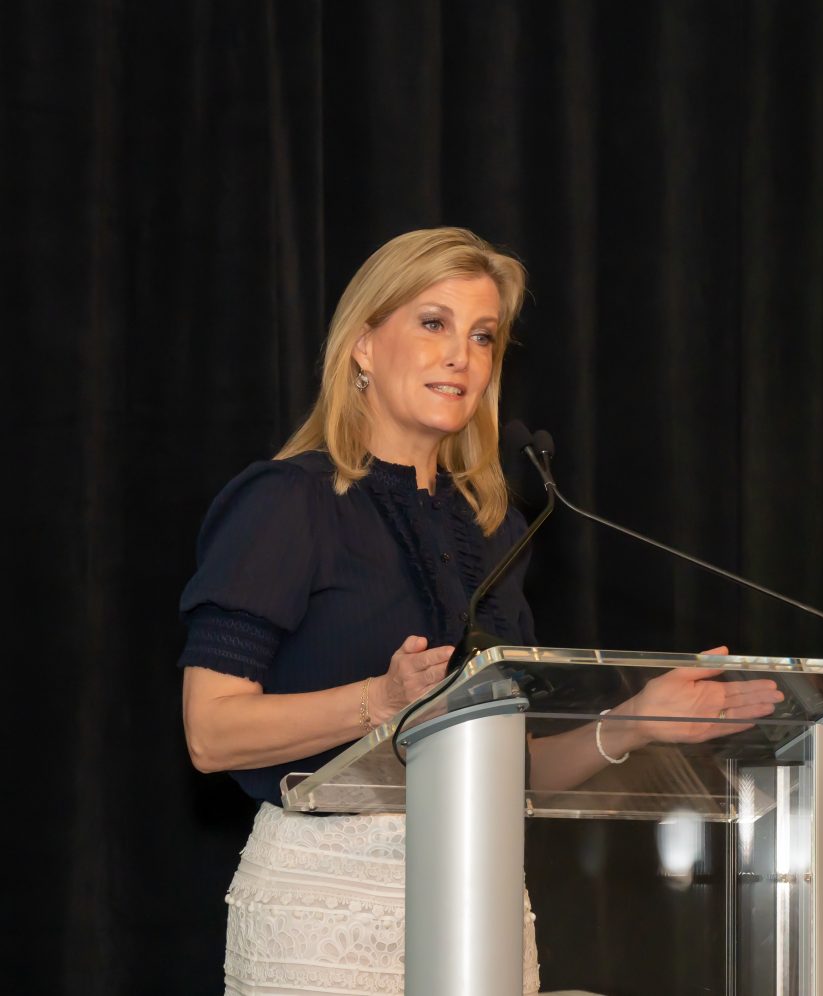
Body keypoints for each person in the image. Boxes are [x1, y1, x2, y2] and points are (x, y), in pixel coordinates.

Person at [177, 227, 783, 995]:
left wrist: (632, 723)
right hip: (329, 917)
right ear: (362, 345)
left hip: (481, 901)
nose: (461, 355)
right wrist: (380, 703)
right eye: (434, 323)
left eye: (482, 335)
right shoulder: (288, 504)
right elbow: (210, 733)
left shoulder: (492, 528)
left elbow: (513, 768)